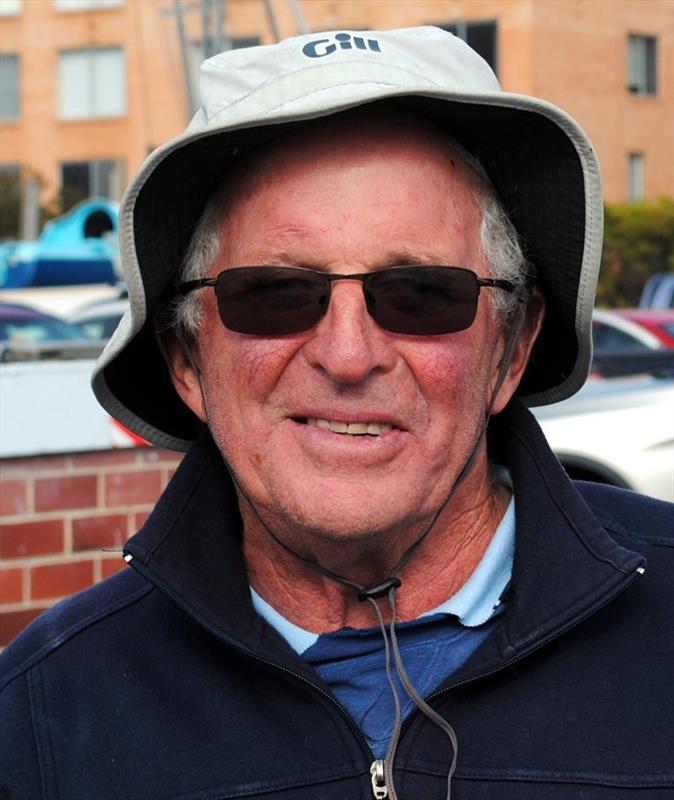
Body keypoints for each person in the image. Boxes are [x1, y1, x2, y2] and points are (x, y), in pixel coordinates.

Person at [1, 27, 672, 800]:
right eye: (276, 293)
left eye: (421, 293)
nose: (349, 356)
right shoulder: (43, 722)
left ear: (512, 349)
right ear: (187, 361)